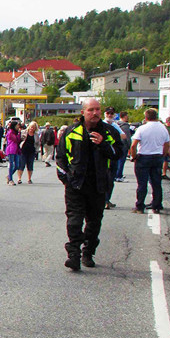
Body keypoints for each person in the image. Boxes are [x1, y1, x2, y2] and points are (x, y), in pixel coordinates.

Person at [56, 99, 123, 270]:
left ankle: (88, 251)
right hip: (76, 185)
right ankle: (74, 255)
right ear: (83, 112)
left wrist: (103, 144)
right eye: (91, 110)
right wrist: (66, 179)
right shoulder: (71, 131)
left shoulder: (109, 132)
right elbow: (60, 158)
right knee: (74, 221)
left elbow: (118, 154)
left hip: (98, 185)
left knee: (94, 223)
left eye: (98, 109)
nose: (95, 113)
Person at [130, 108, 170, 214]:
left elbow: (133, 145)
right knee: (156, 182)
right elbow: (167, 144)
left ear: (146, 117)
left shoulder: (142, 128)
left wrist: (134, 156)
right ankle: (156, 205)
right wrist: (163, 154)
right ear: (156, 116)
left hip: (143, 157)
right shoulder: (163, 128)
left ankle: (140, 206)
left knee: (142, 183)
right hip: (157, 157)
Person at [114, 110, 133, 182]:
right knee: (122, 161)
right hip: (124, 145)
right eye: (127, 116)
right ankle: (119, 176)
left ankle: (117, 174)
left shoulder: (116, 124)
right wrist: (130, 146)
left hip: (117, 144)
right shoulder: (125, 126)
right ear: (125, 117)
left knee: (117, 161)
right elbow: (127, 137)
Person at [5, 121, 23, 185]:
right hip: (11, 150)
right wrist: (19, 133)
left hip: (16, 150)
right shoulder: (10, 133)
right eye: (17, 125)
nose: (18, 127)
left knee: (17, 165)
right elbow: (16, 139)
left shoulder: (16, 132)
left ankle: (9, 176)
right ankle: (11, 180)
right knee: (11, 164)